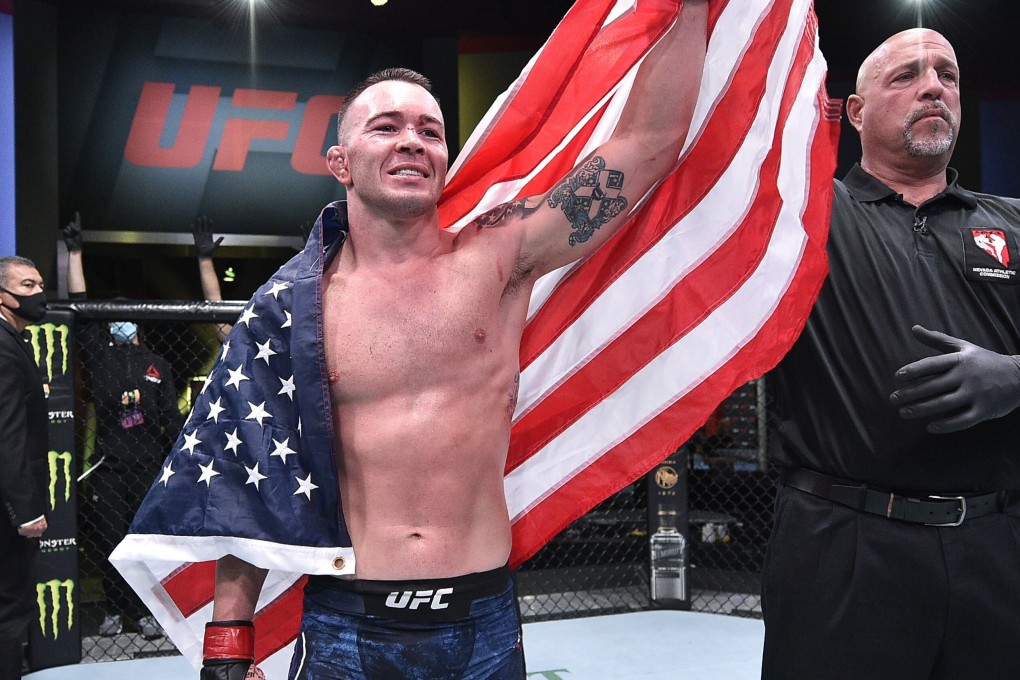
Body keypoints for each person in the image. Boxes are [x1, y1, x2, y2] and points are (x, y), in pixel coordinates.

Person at [118, 3, 710, 678]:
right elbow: (253, 483)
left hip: (481, 619)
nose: (411, 140)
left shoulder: (497, 258)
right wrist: (229, 643)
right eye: (387, 127)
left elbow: (649, 142)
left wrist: (690, 9)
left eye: (429, 130)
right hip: (349, 623)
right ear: (340, 162)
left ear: (444, 157)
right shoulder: (291, 310)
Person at [763, 28, 1020, 679]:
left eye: (948, 75)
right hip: (843, 547)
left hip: (996, 547)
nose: (934, 85)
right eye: (906, 75)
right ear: (853, 111)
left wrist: (1014, 379)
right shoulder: (802, 216)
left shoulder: (1012, 223)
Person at [61, 215, 184, 640]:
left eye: (126, 316)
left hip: (149, 465)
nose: (121, 323)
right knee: (112, 541)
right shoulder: (100, 355)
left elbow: (170, 418)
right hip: (109, 467)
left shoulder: (158, 363)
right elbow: (79, 305)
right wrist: (74, 254)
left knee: (146, 544)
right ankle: (116, 610)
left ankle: (148, 612)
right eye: (115, 317)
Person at [0, 256, 49, 680]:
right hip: (7, 507)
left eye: (39, 285)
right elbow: (7, 434)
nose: (39, 295)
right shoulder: (2, 346)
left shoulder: (14, 341)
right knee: (10, 607)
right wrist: (25, 508)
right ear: (3, 296)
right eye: (27, 286)